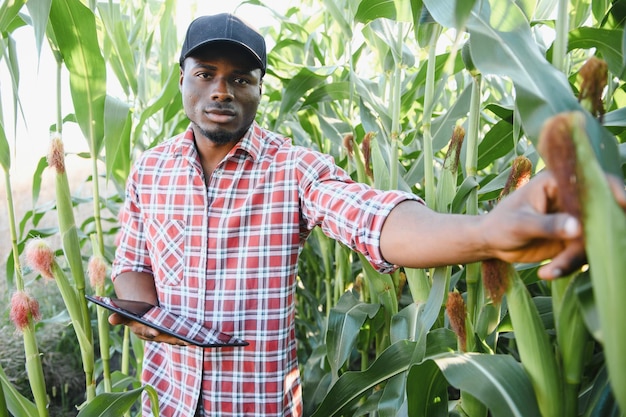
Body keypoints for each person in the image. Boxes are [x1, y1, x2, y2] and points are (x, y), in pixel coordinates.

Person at [109, 13, 626, 417]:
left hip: (256, 403)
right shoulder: (150, 171)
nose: (222, 90)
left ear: (259, 90)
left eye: (241, 79)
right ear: (182, 80)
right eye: (206, 75)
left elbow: (372, 217)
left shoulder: (292, 168)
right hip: (168, 397)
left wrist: (486, 232)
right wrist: (144, 313)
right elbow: (133, 263)